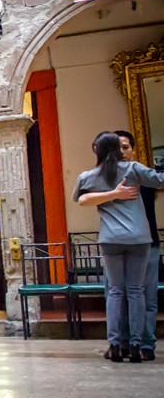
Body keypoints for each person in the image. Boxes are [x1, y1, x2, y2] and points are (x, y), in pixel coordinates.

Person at [73, 132, 164, 363]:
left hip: (110, 238)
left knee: (114, 291)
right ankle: (135, 345)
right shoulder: (132, 169)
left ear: (97, 150)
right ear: (118, 149)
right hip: (139, 238)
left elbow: (81, 199)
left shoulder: (89, 176)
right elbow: (159, 180)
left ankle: (114, 344)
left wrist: (110, 195)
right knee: (135, 291)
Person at [107, 131, 159, 362]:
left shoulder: (142, 175)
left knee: (146, 296)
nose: (122, 152)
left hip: (146, 243)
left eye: (126, 147)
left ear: (133, 150)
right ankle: (122, 343)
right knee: (117, 294)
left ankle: (146, 344)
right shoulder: (105, 178)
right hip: (116, 243)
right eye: (117, 148)